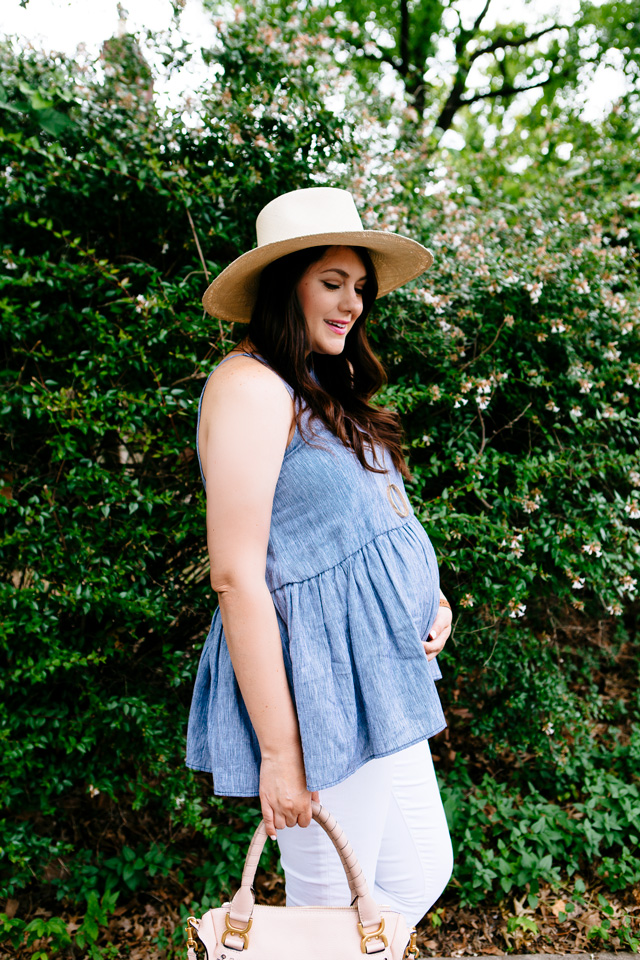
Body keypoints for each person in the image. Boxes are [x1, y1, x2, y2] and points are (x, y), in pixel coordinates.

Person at [186, 186, 454, 929]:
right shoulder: (248, 388)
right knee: (330, 905)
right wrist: (280, 752)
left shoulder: (315, 385)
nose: (352, 304)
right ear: (285, 285)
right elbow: (237, 574)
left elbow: (368, 525)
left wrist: (429, 598)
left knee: (419, 868)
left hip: (377, 668)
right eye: (331, 283)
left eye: (359, 287)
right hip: (319, 681)